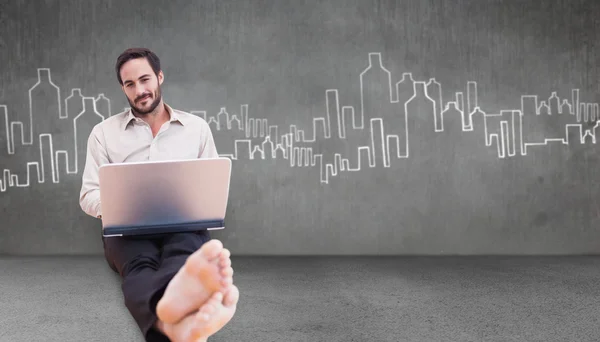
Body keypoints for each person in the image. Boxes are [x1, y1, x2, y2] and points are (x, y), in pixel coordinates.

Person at [79, 47, 239, 342]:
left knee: (183, 255)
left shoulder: (197, 129)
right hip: (125, 231)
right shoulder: (102, 133)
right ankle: (176, 315)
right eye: (130, 84)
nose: (139, 90)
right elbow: (88, 194)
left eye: (145, 79)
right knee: (138, 266)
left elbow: (213, 184)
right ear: (123, 88)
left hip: (184, 225)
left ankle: (167, 324)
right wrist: (116, 208)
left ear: (159, 77)